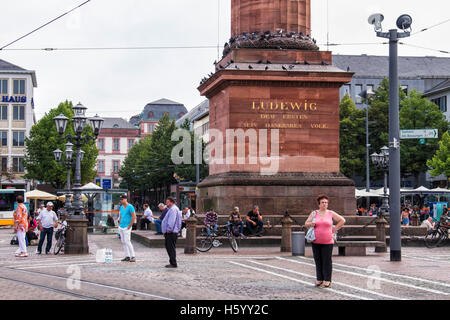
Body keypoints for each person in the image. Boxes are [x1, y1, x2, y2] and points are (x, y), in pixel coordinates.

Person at [305, 194, 346, 289]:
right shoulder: (314, 213)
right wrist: (311, 223)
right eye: (323, 202)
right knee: (318, 260)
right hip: (315, 241)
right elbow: (306, 223)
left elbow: (342, 220)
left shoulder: (330, 213)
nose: (324, 204)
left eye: (326, 202)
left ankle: (327, 280)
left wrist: (334, 229)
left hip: (328, 241)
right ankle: (319, 279)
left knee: (327, 261)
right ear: (319, 204)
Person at [162, 197, 182, 268]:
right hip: (172, 231)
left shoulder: (173, 209)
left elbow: (172, 220)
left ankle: (173, 263)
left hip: (171, 232)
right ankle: (172, 262)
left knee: (170, 247)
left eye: (167, 202)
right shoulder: (172, 209)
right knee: (169, 247)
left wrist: (169, 229)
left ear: (171, 202)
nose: (166, 203)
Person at [118, 194, 136, 262]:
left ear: (125, 199)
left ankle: (133, 256)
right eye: (121, 199)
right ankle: (127, 255)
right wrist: (119, 223)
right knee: (123, 241)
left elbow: (134, 216)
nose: (121, 201)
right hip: (121, 226)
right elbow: (121, 215)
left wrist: (130, 226)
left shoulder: (130, 207)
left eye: (122, 199)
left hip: (127, 226)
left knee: (127, 241)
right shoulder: (121, 207)